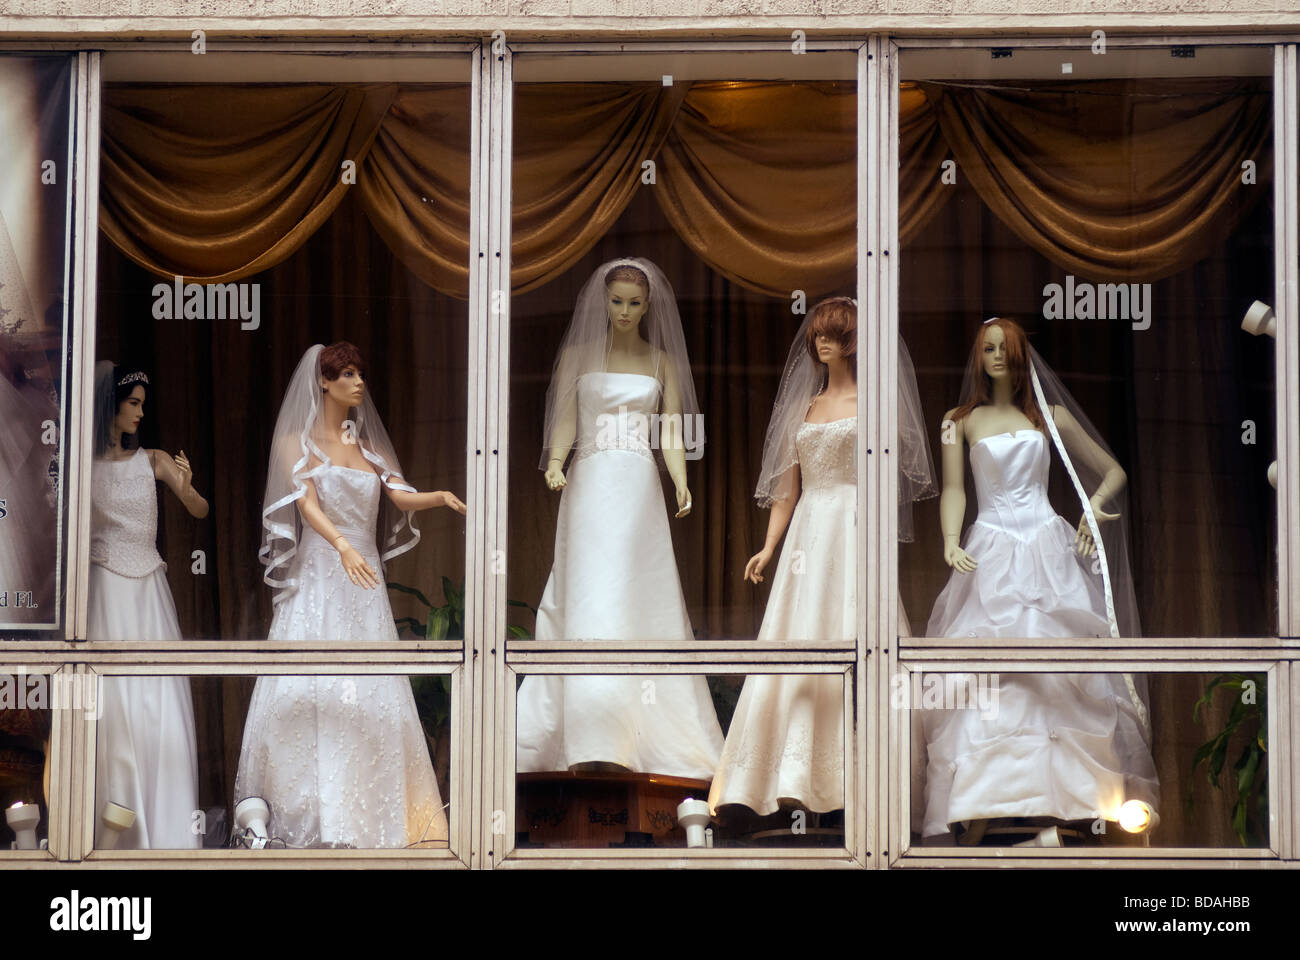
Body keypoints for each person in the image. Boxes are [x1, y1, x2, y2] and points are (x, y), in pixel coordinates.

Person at [918, 318, 1159, 844]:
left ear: (1022, 356)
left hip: (1048, 546)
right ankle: (980, 809)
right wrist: (950, 539)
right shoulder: (956, 421)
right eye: (988, 348)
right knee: (991, 678)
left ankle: (1061, 810)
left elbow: (1112, 470)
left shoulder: (1050, 417)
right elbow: (954, 488)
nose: (997, 357)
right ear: (977, 356)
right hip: (989, 550)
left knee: (1058, 676)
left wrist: (1091, 507)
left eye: (1006, 348)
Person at [709, 297, 935, 815]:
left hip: (854, 529)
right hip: (809, 531)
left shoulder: (877, 404)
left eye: (834, 333)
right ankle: (788, 779)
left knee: (857, 634)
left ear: (854, 340)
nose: (821, 341)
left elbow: (887, 484)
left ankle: (862, 783)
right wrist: (768, 546)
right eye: (817, 334)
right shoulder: (803, 408)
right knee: (799, 636)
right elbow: (788, 489)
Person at [234, 341, 465, 848]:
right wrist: (340, 544)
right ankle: (305, 819)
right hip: (321, 570)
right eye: (348, 374)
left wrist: (439, 497)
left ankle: (373, 819)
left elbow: (397, 494)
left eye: (360, 373)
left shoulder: (366, 447)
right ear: (324, 381)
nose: (358, 383)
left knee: (372, 686)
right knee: (311, 681)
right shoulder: (296, 442)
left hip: (364, 578)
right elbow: (306, 503)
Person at [515, 257, 724, 779]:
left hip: (637, 487)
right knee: (587, 591)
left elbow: (671, 430)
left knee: (636, 593)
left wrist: (680, 479)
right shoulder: (579, 355)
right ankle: (584, 733)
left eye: (635, 303)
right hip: (588, 484)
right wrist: (556, 463)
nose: (625, 311)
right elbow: (565, 416)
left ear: (648, 305)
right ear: (602, 302)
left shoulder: (662, 363)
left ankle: (639, 735)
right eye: (616, 301)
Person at [89, 362, 204, 849]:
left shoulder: (153, 459)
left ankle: (171, 832)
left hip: (148, 589)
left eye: (142, 404)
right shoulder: (82, 468)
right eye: (132, 403)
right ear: (110, 406)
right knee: (113, 708)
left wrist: (187, 482)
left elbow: (198, 509)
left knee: (158, 703)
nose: (139, 413)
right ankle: (116, 833)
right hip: (104, 590)